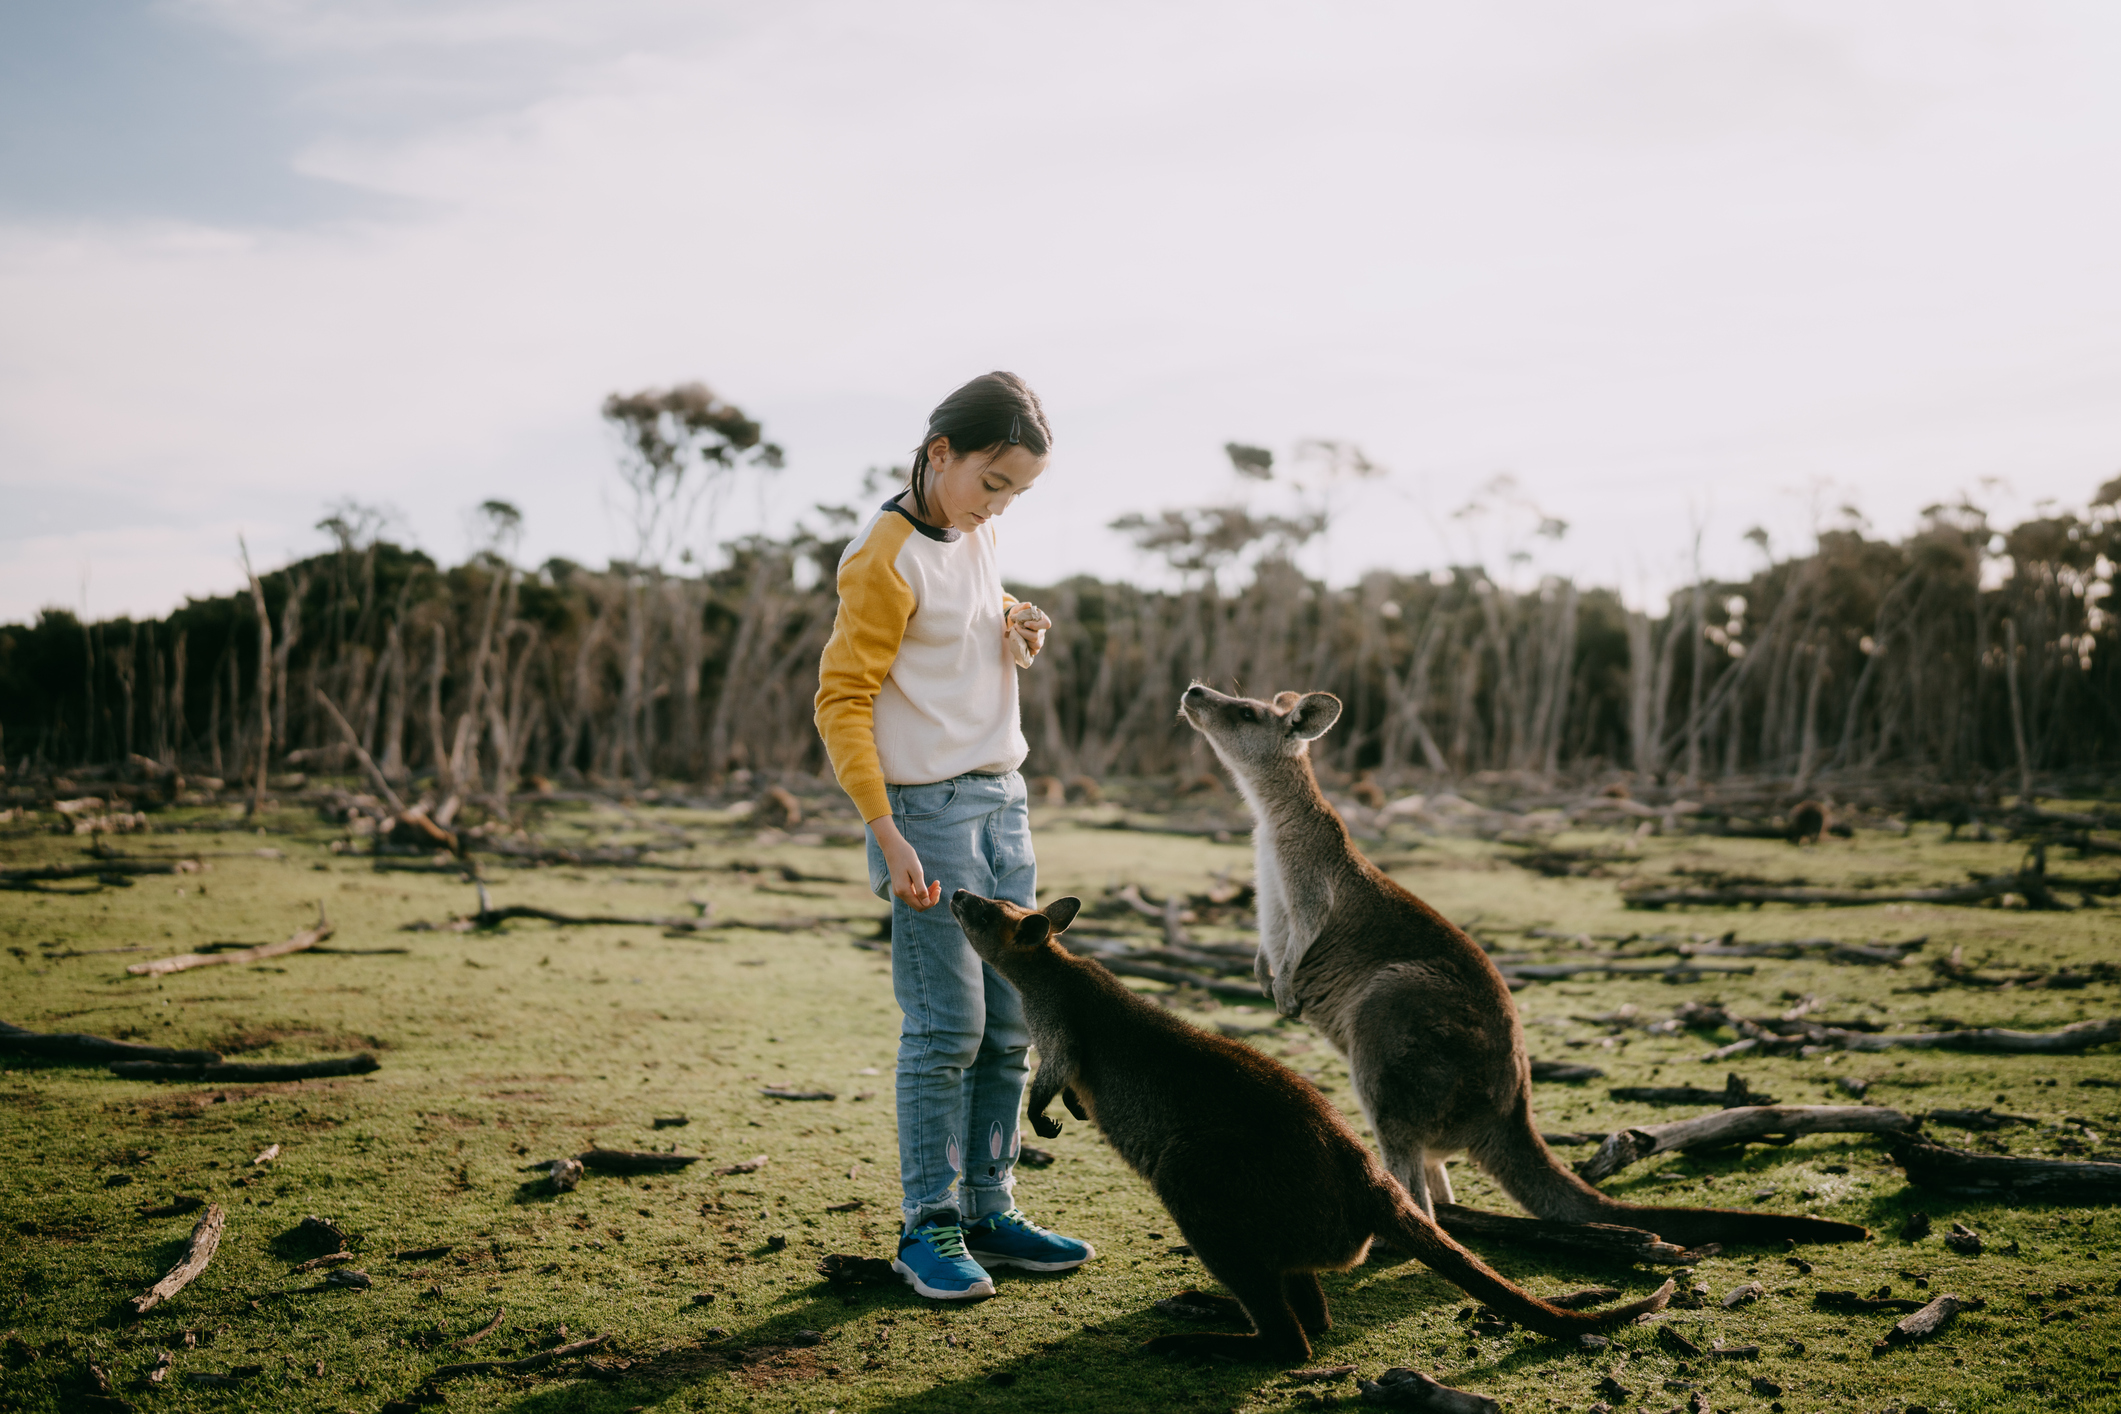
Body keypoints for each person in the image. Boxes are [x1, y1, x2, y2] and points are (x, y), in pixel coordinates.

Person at [813, 371, 1096, 1300]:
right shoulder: (880, 556)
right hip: (925, 814)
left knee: (1013, 1019)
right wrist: (885, 832)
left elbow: (966, 625)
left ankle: (989, 1207)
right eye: (992, 482)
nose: (999, 505)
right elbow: (842, 701)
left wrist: (1013, 624)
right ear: (941, 453)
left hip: (1001, 798)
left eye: (1017, 491)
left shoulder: (971, 533)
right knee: (949, 1029)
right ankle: (926, 1227)